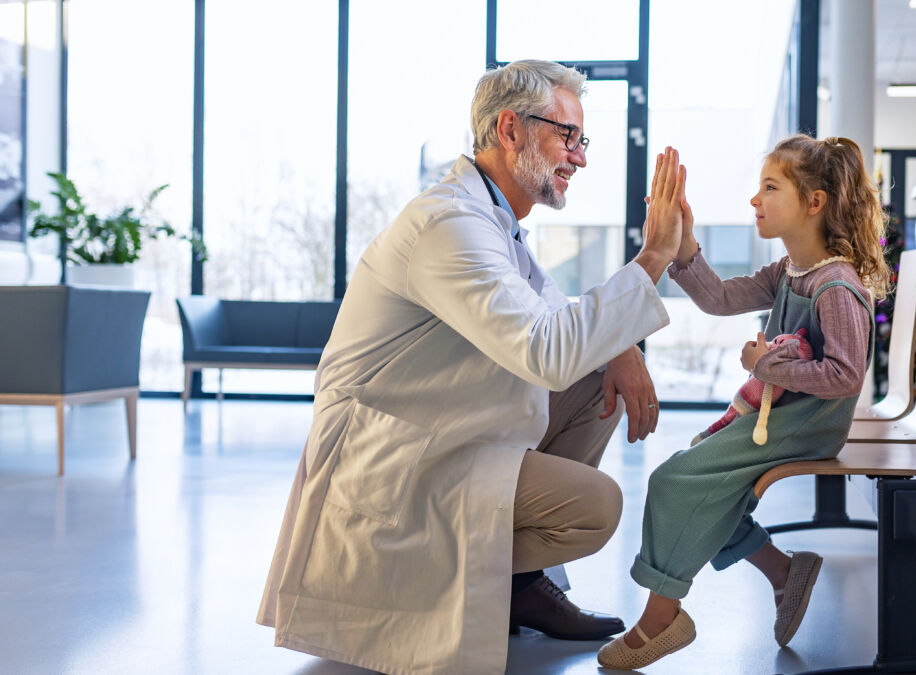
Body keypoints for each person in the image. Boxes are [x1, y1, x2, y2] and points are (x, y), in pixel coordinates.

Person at [256, 60, 688, 675]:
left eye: (581, 140)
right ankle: (484, 580)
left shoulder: (496, 222)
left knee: (596, 374)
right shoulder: (448, 225)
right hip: (393, 456)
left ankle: (516, 584)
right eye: (568, 136)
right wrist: (652, 259)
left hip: (444, 433)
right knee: (597, 508)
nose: (580, 158)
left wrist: (620, 346)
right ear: (510, 129)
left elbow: (555, 313)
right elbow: (545, 349)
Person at [597, 134, 891, 670]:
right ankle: (783, 572)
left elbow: (846, 377)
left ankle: (662, 618)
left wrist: (764, 365)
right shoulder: (790, 272)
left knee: (675, 480)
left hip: (810, 423)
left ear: (814, 202)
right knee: (705, 477)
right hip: (783, 416)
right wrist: (685, 244)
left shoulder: (836, 285)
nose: (755, 201)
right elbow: (719, 299)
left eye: (770, 188)